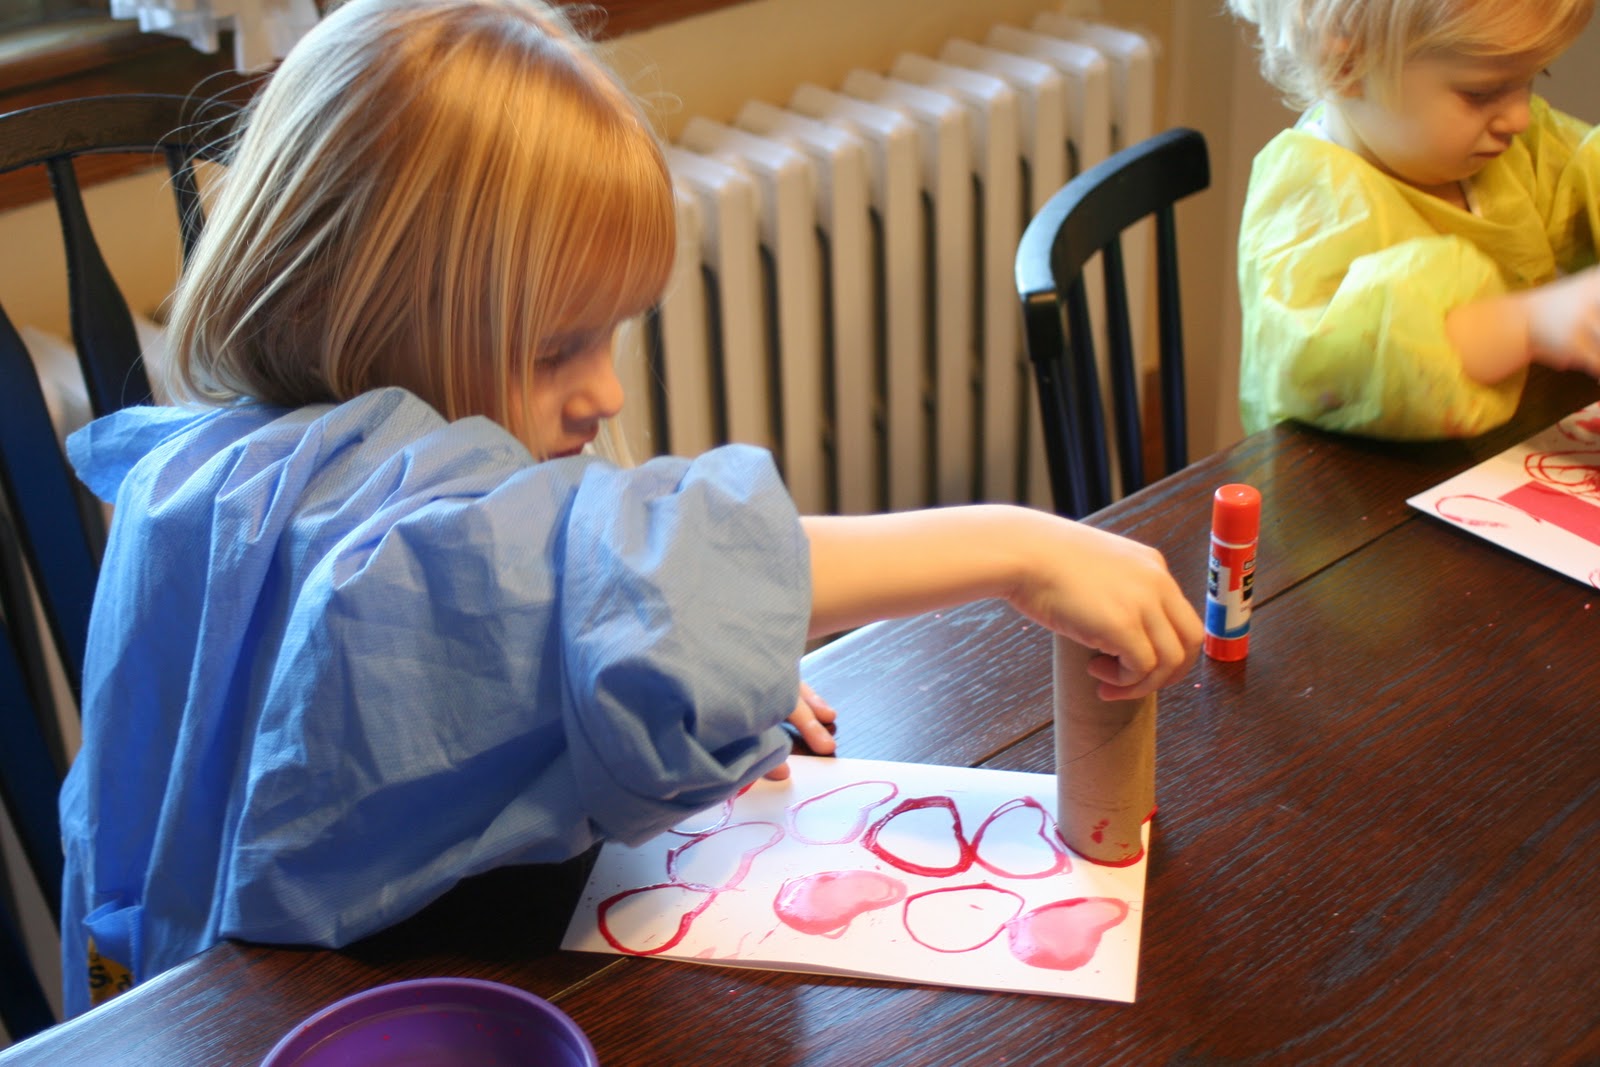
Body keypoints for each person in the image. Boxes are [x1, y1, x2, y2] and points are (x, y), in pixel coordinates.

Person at [58, 0, 1202, 1017]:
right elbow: (538, 581)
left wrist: (695, 665)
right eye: (560, 347)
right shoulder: (363, 544)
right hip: (237, 1023)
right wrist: (1011, 547)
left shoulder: (258, 460)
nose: (603, 392)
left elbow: (502, 665)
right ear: (373, 312)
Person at [1228, 0, 1600, 440]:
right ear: (1346, 63)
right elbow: (1366, 360)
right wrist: (1528, 324)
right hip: (1348, 490)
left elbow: (1583, 171)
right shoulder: (1307, 201)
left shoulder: (1514, 152)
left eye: (1533, 79)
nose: (1519, 116)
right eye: (1481, 92)